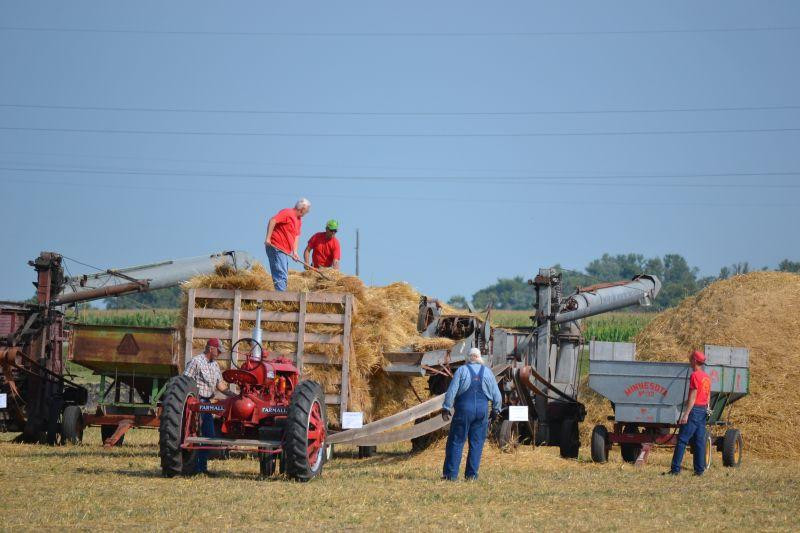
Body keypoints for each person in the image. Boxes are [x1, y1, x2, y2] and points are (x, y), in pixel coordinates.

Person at [441, 348, 502, 481]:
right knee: (477, 443)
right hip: (482, 411)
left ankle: (450, 475)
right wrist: (496, 410)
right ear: (480, 358)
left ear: (468, 358)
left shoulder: (462, 370)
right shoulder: (487, 372)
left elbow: (452, 391)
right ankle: (471, 476)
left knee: (456, 441)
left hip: (464, 410)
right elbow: (497, 396)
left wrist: (446, 407)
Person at [183, 338, 230, 475]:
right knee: (196, 436)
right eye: (218, 350)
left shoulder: (215, 365)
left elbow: (220, 385)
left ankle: (202, 469)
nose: (220, 353)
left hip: (208, 405)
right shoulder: (196, 362)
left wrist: (233, 395)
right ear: (211, 349)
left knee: (209, 436)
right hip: (196, 405)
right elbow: (185, 382)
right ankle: (193, 468)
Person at [667, 350, 712, 476]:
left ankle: (675, 470)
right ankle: (699, 470)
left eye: (691, 358)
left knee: (682, 440)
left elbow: (693, 396)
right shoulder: (706, 377)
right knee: (699, 441)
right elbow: (708, 395)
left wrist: (686, 414)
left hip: (694, 410)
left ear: (695, 361)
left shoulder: (694, 376)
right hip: (703, 410)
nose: (689, 361)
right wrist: (707, 409)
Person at [264, 198, 311, 291]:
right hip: (276, 247)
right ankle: (281, 297)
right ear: (302, 209)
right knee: (280, 273)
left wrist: (295, 252)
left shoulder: (299, 220)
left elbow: (296, 235)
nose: (306, 213)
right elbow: (273, 220)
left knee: (284, 274)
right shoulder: (287, 213)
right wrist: (268, 238)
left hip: (285, 251)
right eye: (306, 211)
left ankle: (281, 294)